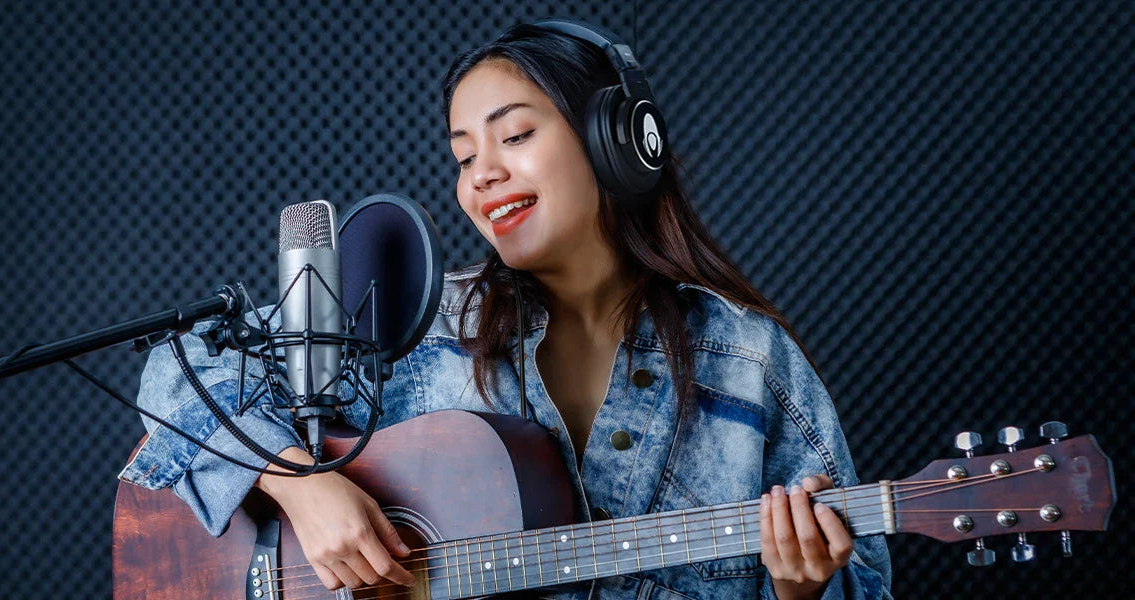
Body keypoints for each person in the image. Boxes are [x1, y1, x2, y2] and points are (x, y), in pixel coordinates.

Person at [118, 20, 893, 599]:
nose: (481, 176)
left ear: (617, 142)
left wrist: (805, 590)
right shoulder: (412, 326)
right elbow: (175, 375)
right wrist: (301, 486)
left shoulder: (750, 363)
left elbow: (867, 581)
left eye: (514, 135)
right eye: (462, 157)